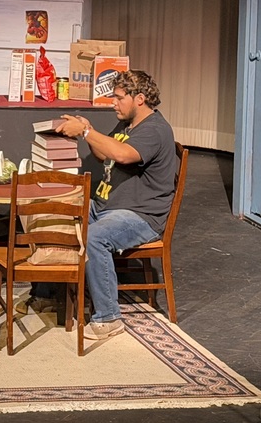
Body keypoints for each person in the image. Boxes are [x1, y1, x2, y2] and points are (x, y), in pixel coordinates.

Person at [50, 69, 178, 341]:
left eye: (119, 98)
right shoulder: (127, 124)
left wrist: (85, 131)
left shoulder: (155, 129)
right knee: (56, 215)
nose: (113, 103)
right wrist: (90, 132)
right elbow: (103, 153)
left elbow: (123, 154)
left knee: (94, 238)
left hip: (140, 215)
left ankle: (108, 317)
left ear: (140, 98)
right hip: (107, 205)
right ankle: (49, 296)